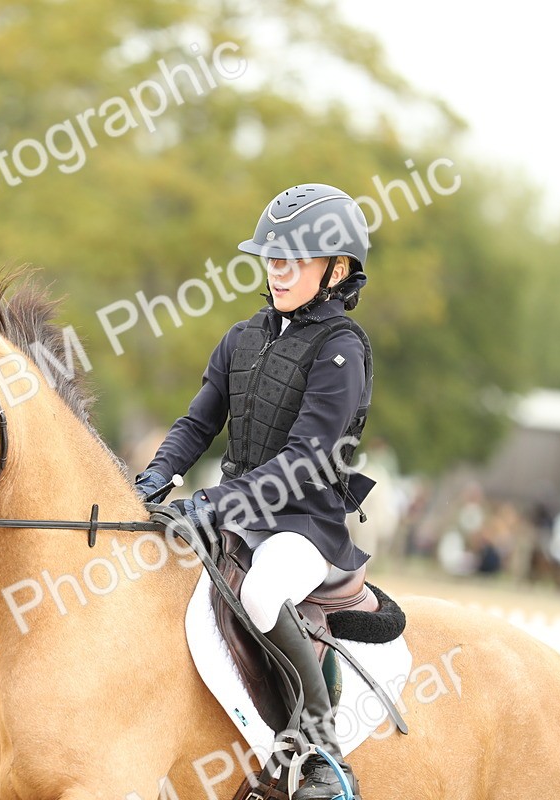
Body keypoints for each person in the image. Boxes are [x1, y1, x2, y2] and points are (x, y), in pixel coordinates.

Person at [135, 184, 375, 799]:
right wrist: (156, 477)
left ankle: (323, 752)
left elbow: (306, 460)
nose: (278, 270)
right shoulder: (241, 337)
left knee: (264, 593)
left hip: (303, 528)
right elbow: (196, 424)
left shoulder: (341, 348)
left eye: (293, 258)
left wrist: (213, 504)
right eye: (272, 257)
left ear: (336, 269)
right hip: (236, 516)